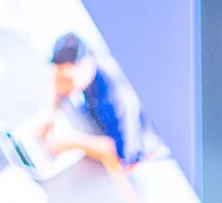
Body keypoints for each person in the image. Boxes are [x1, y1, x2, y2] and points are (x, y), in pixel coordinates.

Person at [41, 32, 146, 168]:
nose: (61, 88)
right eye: (58, 79)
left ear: (85, 66)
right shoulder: (81, 52)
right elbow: (59, 75)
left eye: (67, 81)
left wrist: (73, 142)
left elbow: (123, 154)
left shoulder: (117, 100)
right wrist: (48, 112)